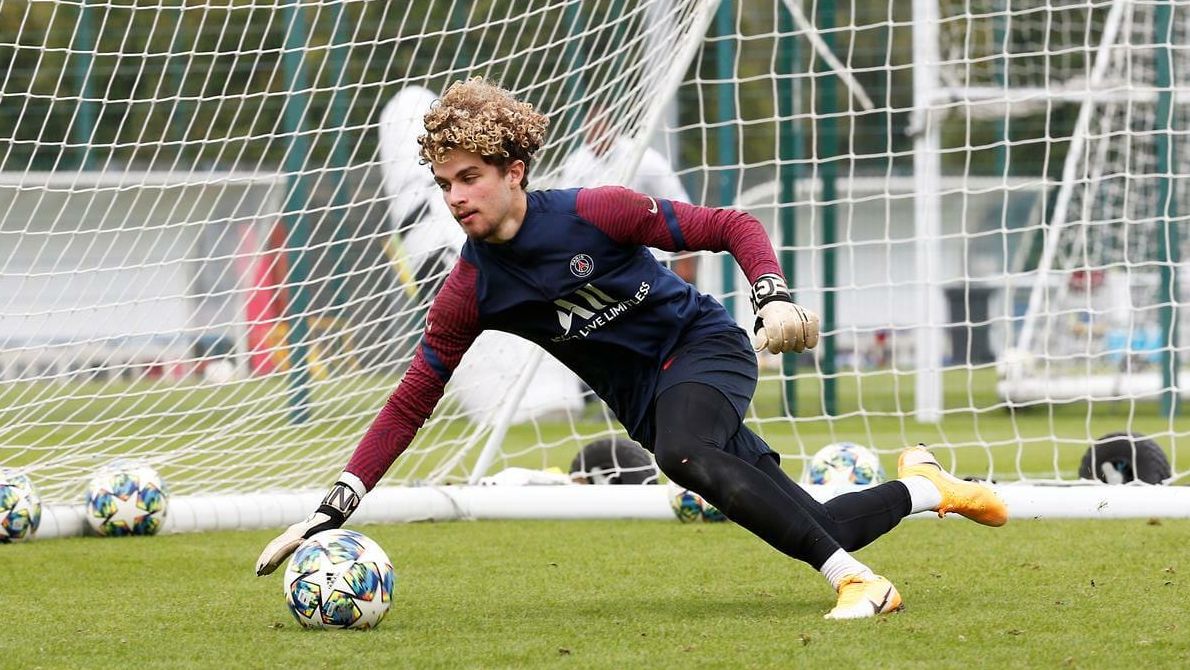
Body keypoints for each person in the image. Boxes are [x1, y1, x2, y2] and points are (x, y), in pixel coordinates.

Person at [255, 78, 1008, 620]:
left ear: (514, 173)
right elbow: (411, 399)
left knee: (685, 456)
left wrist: (770, 293)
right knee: (817, 519)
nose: (454, 198)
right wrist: (337, 502)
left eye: (470, 178)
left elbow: (730, 226)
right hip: (648, 405)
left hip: (704, 348)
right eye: (444, 182)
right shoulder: (468, 292)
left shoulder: (595, 212)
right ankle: (929, 487)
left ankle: (858, 584)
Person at [557, 104, 698, 284]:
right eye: (591, 127)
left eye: (600, 126)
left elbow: (680, 204)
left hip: (655, 259)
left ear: (612, 127)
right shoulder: (575, 163)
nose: (596, 132)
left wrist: (685, 259)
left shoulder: (644, 158)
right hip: (603, 264)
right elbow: (566, 216)